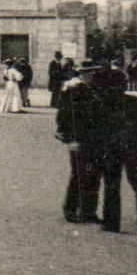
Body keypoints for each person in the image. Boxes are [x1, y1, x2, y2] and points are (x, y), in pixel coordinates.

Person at [97, 70, 137, 235]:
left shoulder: (102, 103)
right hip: (133, 149)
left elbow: (95, 128)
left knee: (112, 187)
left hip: (112, 151)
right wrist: (132, 127)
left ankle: (111, 223)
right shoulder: (133, 102)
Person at [55, 64, 104, 223]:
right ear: (82, 74)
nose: (92, 76)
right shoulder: (73, 91)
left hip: (95, 139)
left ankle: (89, 211)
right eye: (89, 73)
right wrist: (71, 139)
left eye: (94, 72)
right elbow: (64, 117)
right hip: (79, 139)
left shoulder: (97, 91)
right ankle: (70, 209)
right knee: (79, 174)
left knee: (94, 175)